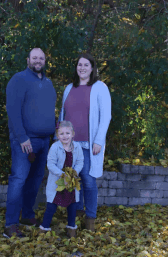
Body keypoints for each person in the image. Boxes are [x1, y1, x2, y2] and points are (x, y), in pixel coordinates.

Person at [3, 48, 57, 238]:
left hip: (45, 141)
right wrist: (22, 137)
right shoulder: (18, 80)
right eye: (34, 57)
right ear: (28, 60)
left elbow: (49, 111)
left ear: (45, 60)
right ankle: (10, 224)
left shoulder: (48, 83)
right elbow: (13, 110)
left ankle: (27, 215)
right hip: (25, 141)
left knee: (35, 182)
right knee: (18, 180)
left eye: (41, 58)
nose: (38, 61)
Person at [57, 53, 112, 232]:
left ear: (92, 68)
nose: (82, 68)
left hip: (89, 145)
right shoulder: (68, 88)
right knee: (73, 180)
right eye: (79, 64)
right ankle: (76, 215)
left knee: (88, 181)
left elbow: (106, 117)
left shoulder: (99, 87)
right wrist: (58, 137)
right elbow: (63, 116)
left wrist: (99, 140)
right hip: (70, 145)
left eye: (86, 65)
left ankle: (90, 220)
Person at [39, 121, 84, 238]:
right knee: (51, 205)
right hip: (57, 181)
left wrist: (74, 173)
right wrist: (63, 175)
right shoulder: (55, 147)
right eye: (62, 134)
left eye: (67, 133)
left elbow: (80, 161)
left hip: (71, 182)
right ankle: (44, 228)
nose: (65, 136)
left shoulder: (77, 147)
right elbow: (50, 164)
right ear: (58, 136)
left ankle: (71, 229)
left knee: (72, 205)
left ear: (73, 133)